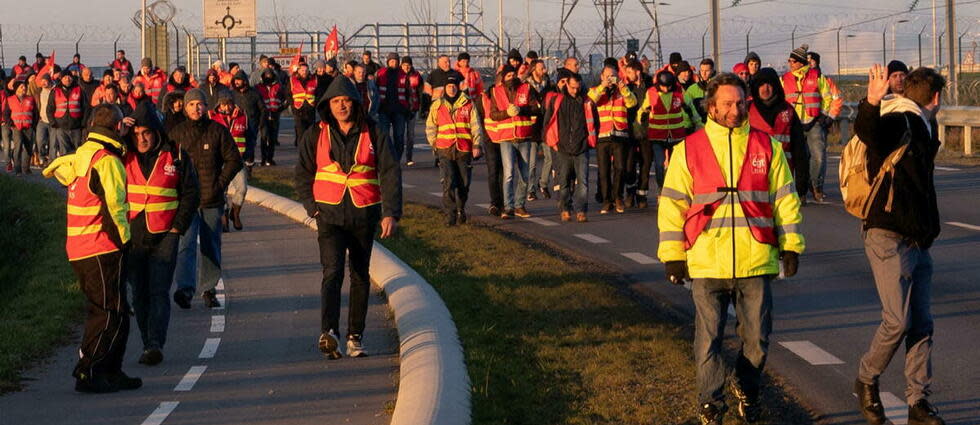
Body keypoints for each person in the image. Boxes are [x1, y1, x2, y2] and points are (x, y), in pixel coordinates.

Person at [657, 73, 805, 425]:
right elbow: (672, 204)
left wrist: (791, 247)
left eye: (740, 103)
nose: (735, 110)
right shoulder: (689, 148)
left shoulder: (766, 146)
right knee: (707, 341)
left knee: (757, 341)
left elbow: (786, 199)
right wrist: (673, 256)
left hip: (756, 260)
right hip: (707, 261)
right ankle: (710, 402)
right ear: (711, 107)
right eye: (727, 104)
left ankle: (746, 384)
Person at [852, 65, 947, 425]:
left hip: (918, 240)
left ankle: (918, 403)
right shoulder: (900, 120)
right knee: (898, 320)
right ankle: (865, 379)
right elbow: (871, 132)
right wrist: (871, 102)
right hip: (887, 234)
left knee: (921, 323)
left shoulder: (925, 125)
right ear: (936, 98)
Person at [295, 77, 402, 359]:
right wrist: (311, 206)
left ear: (356, 103)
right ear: (327, 106)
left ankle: (356, 336)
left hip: (363, 213)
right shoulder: (315, 134)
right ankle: (329, 333)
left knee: (359, 275)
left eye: (346, 101)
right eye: (336, 102)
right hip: (328, 215)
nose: (341, 106)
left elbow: (390, 172)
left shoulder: (374, 132)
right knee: (331, 272)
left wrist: (391, 212)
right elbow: (303, 173)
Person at [42, 103, 143, 393]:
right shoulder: (106, 160)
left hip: (79, 246)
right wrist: (125, 242)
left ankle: (112, 370)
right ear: (116, 127)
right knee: (108, 312)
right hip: (101, 246)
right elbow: (115, 207)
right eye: (123, 125)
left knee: (116, 310)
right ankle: (89, 371)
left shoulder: (83, 155)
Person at [123, 103, 199, 366]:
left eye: (147, 133)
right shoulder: (123, 156)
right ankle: (147, 342)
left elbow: (191, 192)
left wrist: (178, 226)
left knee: (158, 291)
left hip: (166, 234)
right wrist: (122, 130)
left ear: (156, 132)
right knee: (139, 294)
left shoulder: (175, 155)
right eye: (137, 134)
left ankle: (155, 343)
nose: (142, 139)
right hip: (133, 235)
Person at [169, 89, 243, 309]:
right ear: (184, 107)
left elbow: (233, 160)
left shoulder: (218, 131)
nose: (196, 108)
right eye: (191, 105)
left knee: (211, 246)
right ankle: (185, 289)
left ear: (206, 107)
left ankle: (209, 289)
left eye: (199, 104)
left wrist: (220, 184)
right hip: (186, 201)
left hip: (212, 199)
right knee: (186, 244)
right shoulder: (177, 133)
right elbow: (168, 162)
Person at [426, 72, 484, 225]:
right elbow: (431, 127)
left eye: (453, 86)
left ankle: (460, 209)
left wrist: (477, 144)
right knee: (448, 182)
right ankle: (450, 215)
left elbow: (476, 126)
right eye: (448, 86)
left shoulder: (468, 104)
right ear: (444, 88)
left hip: (464, 150)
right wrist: (434, 144)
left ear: (458, 87)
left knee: (463, 184)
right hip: (444, 150)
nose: (451, 89)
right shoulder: (437, 105)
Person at [484, 65, 540, 219]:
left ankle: (519, 205)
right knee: (508, 174)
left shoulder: (526, 88)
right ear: (503, 77)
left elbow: (536, 109)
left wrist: (521, 110)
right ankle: (508, 207)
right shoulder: (496, 91)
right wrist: (506, 113)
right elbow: (493, 115)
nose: (511, 77)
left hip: (524, 136)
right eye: (508, 75)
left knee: (524, 174)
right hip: (506, 138)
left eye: (513, 74)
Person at [782, 44, 835, 203]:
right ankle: (801, 190)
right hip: (794, 124)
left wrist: (823, 116)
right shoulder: (784, 79)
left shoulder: (817, 77)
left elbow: (828, 98)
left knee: (818, 157)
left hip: (814, 122)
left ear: (800, 62)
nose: (790, 64)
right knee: (799, 159)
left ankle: (816, 185)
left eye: (792, 61)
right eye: (789, 61)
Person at [543, 72, 598, 223]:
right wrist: (551, 142)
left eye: (577, 88)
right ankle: (565, 209)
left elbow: (595, 123)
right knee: (564, 181)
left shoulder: (587, 102)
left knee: (583, 182)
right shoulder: (558, 100)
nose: (575, 91)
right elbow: (548, 122)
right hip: (563, 148)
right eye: (572, 87)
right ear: (567, 84)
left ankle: (581, 211)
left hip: (581, 148)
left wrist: (588, 141)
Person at [749, 68, 810, 201]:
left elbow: (799, 150)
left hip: (783, 176)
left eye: (769, 84)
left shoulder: (788, 111)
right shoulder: (746, 110)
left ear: (776, 86)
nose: (765, 89)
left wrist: (801, 184)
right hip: (753, 178)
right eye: (761, 85)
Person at [636, 70, 693, 208]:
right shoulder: (651, 93)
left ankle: (674, 192)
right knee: (659, 164)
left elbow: (691, 108)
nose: (666, 89)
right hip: (658, 135)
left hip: (676, 134)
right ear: (658, 85)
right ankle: (661, 190)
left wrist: (694, 122)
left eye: (669, 86)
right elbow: (641, 111)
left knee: (675, 166)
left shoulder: (680, 91)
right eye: (663, 86)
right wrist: (641, 121)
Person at [588, 65, 636, 214]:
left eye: (613, 76)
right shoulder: (595, 90)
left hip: (620, 134)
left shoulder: (622, 91)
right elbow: (591, 100)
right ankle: (607, 200)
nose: (610, 79)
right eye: (608, 76)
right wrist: (603, 86)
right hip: (602, 135)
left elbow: (632, 103)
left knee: (620, 168)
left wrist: (623, 87)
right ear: (602, 77)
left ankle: (618, 197)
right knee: (604, 171)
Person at [209, 92, 251, 232]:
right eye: (223, 104)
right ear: (218, 105)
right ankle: (224, 216)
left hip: (238, 160)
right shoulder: (212, 118)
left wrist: (250, 155)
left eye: (229, 104)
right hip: (219, 160)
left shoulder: (242, 116)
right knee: (222, 190)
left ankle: (235, 212)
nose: (226, 107)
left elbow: (250, 136)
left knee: (242, 188)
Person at [525, 59, 555, 201]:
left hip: (546, 126)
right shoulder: (527, 86)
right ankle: (530, 190)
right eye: (541, 68)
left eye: (544, 68)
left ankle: (543, 183)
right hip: (532, 128)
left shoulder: (548, 85)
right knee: (531, 163)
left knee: (549, 158)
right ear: (533, 70)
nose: (544, 70)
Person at [375, 53, 413, 163]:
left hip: (399, 110)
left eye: (396, 61)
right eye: (392, 61)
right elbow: (375, 91)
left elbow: (408, 93)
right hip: (384, 110)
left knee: (399, 137)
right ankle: (386, 159)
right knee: (384, 136)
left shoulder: (403, 75)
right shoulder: (381, 73)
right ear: (388, 62)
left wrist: (409, 108)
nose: (394, 63)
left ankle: (396, 160)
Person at [623, 60, 650, 207]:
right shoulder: (627, 88)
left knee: (646, 163)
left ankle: (642, 194)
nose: (627, 75)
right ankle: (630, 191)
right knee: (629, 164)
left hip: (647, 131)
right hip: (631, 131)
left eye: (629, 72)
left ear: (637, 72)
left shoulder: (650, 87)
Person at [48, 72, 88, 157]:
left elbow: (86, 108)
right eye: (65, 77)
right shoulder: (55, 91)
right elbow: (49, 109)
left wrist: (83, 123)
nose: (67, 79)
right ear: (61, 79)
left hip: (76, 127)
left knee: (78, 150)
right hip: (61, 127)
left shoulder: (79, 90)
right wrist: (53, 123)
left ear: (72, 78)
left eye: (69, 77)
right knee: (64, 152)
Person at [4, 81, 37, 175]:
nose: (24, 88)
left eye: (25, 87)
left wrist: (33, 125)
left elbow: (35, 113)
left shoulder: (30, 99)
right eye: (22, 87)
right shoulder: (10, 99)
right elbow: (6, 114)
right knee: (18, 148)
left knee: (29, 148)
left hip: (28, 127)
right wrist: (11, 124)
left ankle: (26, 168)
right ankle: (18, 170)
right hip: (16, 127)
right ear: (16, 89)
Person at [256, 69, 286, 166]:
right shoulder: (258, 87)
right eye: (266, 75)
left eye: (270, 74)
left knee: (272, 138)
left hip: (274, 114)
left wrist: (281, 107)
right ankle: (263, 159)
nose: (268, 76)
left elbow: (286, 98)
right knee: (264, 137)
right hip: (263, 115)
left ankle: (270, 158)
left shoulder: (278, 87)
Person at [400, 56, 424, 166]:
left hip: (412, 108)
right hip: (400, 109)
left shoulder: (416, 75)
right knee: (399, 134)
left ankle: (409, 157)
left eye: (408, 65)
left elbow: (420, 91)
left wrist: (420, 106)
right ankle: (398, 157)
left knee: (410, 135)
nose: (406, 67)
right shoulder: (397, 75)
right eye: (404, 65)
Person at [290, 62, 318, 146]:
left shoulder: (314, 79)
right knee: (301, 131)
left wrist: (316, 102)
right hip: (298, 109)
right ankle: (302, 150)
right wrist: (292, 104)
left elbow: (318, 92)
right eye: (302, 70)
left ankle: (309, 148)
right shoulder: (293, 80)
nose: (304, 72)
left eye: (306, 70)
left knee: (310, 132)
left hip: (310, 109)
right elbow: (288, 93)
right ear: (298, 71)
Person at [686, 58, 715, 126]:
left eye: (707, 71)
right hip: (697, 127)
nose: (704, 73)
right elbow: (687, 109)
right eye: (702, 70)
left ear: (712, 71)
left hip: (715, 127)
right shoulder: (692, 89)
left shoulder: (719, 87)